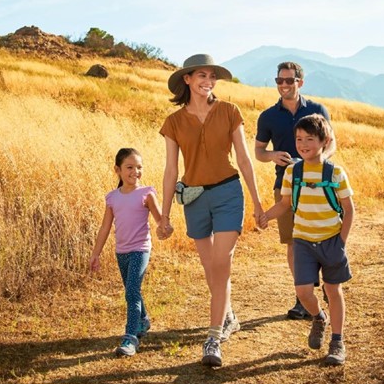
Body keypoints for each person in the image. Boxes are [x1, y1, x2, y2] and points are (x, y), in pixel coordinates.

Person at [156, 53, 264, 368]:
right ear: (187, 80)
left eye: (212, 76)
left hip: (229, 193)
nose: (208, 81)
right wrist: (163, 215)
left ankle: (213, 338)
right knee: (209, 267)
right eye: (201, 76)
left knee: (221, 262)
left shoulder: (230, 111)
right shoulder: (173, 122)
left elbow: (244, 160)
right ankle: (228, 315)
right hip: (194, 198)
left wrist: (257, 203)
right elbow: (170, 171)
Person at [259, 114, 354, 366]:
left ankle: (337, 341)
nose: (302, 144)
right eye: (299, 139)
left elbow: (349, 208)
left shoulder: (335, 173)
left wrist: (341, 242)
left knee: (333, 290)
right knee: (303, 292)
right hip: (302, 241)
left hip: (331, 240)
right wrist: (266, 216)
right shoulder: (293, 171)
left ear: (325, 141)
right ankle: (319, 318)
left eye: (309, 139)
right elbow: (285, 204)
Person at [254, 61, 336, 319]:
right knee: (293, 241)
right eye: (280, 81)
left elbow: (332, 143)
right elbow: (258, 152)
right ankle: (303, 295)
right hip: (286, 185)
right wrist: (272, 156)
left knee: (322, 236)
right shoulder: (267, 116)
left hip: (320, 184)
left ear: (300, 82)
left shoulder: (317, 109)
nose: (284, 85)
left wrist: (319, 161)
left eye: (289, 80)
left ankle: (328, 286)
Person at [90, 147, 163, 357]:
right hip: (121, 252)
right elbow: (105, 228)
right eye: (130, 167)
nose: (135, 172)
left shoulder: (146, 193)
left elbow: (159, 221)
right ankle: (143, 320)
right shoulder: (112, 198)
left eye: (139, 167)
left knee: (131, 292)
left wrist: (164, 228)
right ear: (118, 170)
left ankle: (130, 338)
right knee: (134, 291)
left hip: (140, 249)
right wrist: (95, 253)